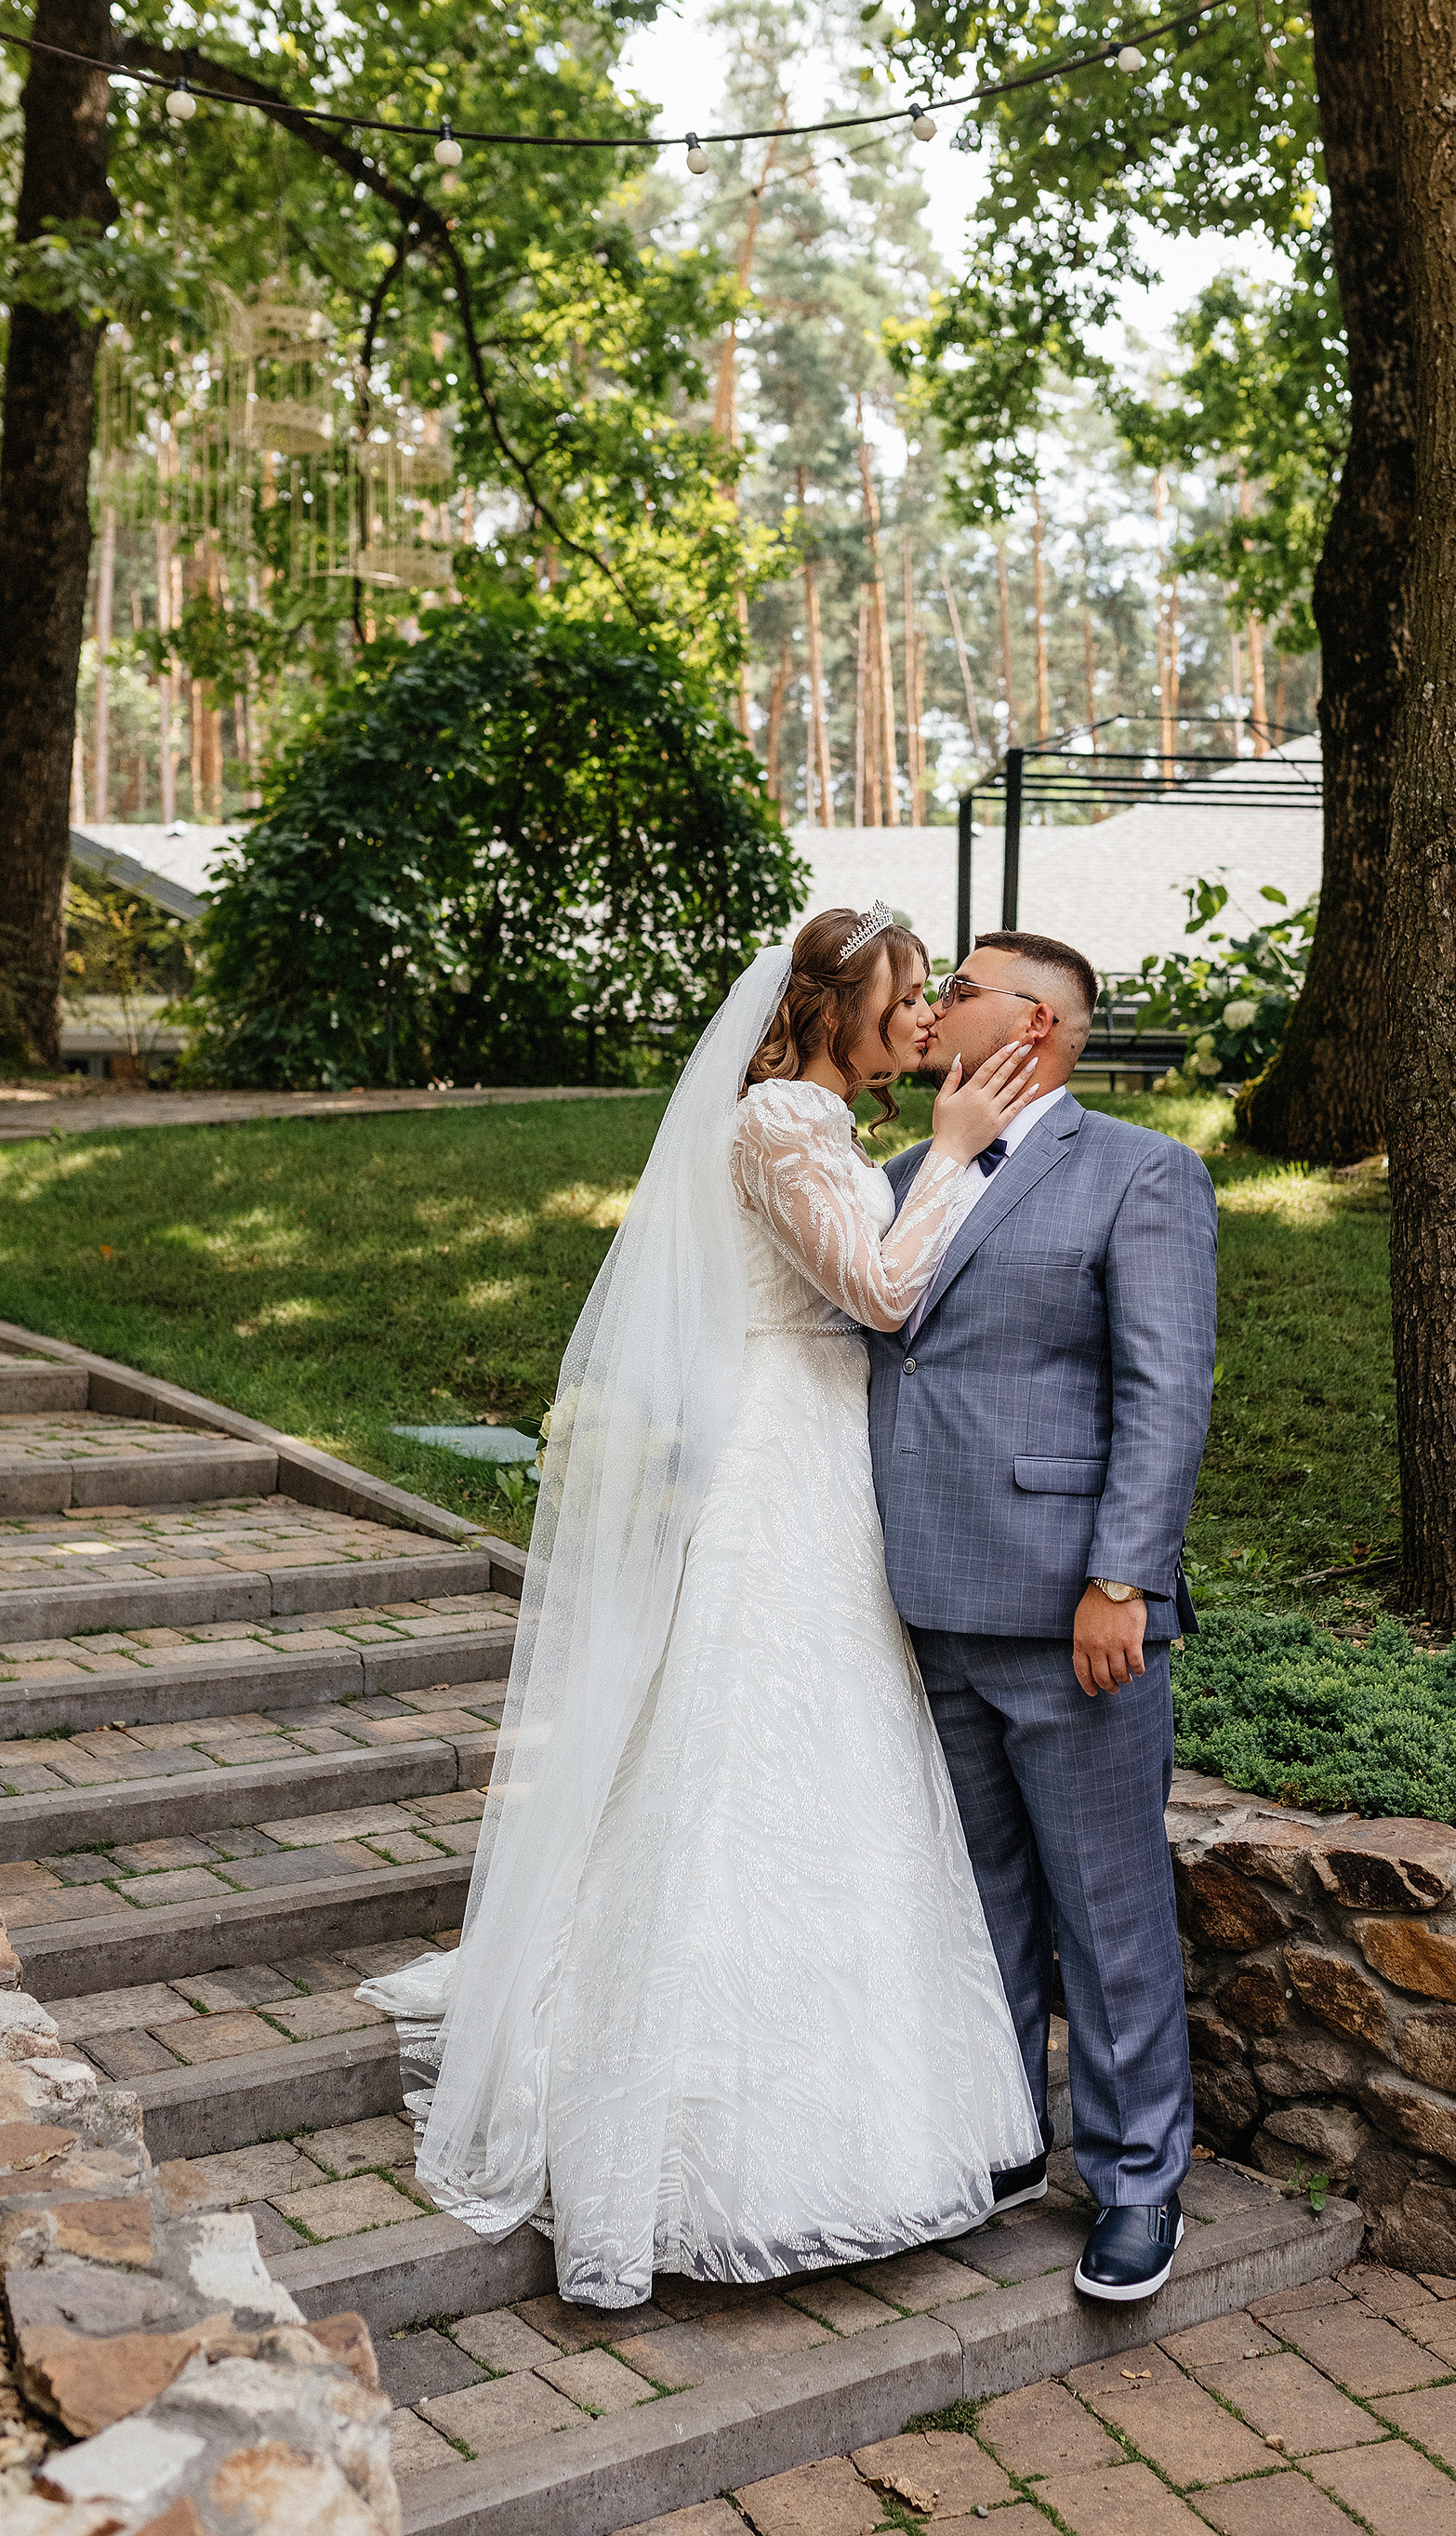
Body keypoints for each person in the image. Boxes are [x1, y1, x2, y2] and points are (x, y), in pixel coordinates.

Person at [358, 906, 1044, 2307]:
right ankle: (691, 2141)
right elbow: (881, 1292)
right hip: (775, 1470)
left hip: (827, 1461)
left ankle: (874, 2129)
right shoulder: (780, 1122)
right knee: (743, 1749)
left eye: (933, 994)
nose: (926, 1018)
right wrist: (958, 1154)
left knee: (839, 1759)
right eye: (910, 994)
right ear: (837, 1008)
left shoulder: (819, 1122)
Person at [867, 928, 1218, 2306]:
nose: (935, 1005)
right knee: (981, 1902)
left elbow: (1164, 1388)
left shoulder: (1140, 1172)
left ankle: (1138, 2184)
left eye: (959, 988)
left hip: (1072, 1607)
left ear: (1037, 1026)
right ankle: (1006, 2136)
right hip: (921, 1597)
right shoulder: (907, 1175)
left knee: (1108, 1911)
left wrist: (1123, 1578)